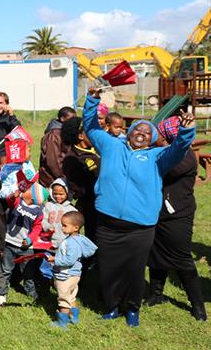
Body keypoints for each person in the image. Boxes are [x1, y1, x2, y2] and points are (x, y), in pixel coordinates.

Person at [84, 91, 195, 327]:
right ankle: (113, 306)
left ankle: (132, 309)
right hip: (108, 222)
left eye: (146, 133)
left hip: (140, 227)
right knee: (109, 268)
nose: (141, 135)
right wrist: (92, 102)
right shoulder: (112, 145)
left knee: (134, 271)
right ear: (129, 132)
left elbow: (179, 148)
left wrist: (186, 130)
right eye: (137, 130)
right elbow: (91, 127)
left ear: (152, 138)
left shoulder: (158, 157)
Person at [146, 117, 207, 321]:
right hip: (158, 212)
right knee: (156, 254)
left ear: (167, 137)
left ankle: (197, 305)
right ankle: (156, 294)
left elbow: (161, 170)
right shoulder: (167, 152)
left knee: (181, 258)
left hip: (177, 214)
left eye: (160, 135)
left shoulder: (185, 156)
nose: (157, 137)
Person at [0, 182, 48, 306]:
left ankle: (30, 291)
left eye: (29, 190)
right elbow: (9, 201)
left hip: (26, 247)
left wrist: (30, 239)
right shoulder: (18, 202)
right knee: (6, 269)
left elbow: (37, 228)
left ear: (32, 198)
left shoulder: (39, 211)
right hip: (10, 242)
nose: (25, 190)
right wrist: (13, 196)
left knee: (28, 271)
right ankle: (2, 292)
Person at [47, 211, 97, 328]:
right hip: (74, 275)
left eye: (65, 225)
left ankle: (62, 323)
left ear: (76, 228)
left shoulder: (72, 243)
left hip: (66, 275)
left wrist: (55, 259)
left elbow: (69, 260)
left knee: (63, 299)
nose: (62, 228)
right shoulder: (78, 239)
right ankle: (74, 317)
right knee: (71, 296)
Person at [60, 117, 100, 240]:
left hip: (105, 203)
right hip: (92, 205)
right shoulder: (73, 158)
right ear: (81, 136)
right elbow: (77, 187)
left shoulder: (97, 149)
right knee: (94, 238)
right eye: (90, 131)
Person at [38, 106, 76, 187]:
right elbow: (53, 160)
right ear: (62, 119)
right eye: (71, 119)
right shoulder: (54, 135)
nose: (74, 121)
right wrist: (63, 179)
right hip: (53, 181)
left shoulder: (63, 132)